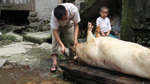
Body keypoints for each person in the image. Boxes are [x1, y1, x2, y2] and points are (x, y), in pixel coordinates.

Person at [50, 3, 81, 72]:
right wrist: (61, 45)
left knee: (72, 41)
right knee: (55, 42)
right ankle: (54, 63)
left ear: (67, 12)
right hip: (57, 27)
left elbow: (76, 25)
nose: (63, 20)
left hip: (68, 25)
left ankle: (72, 59)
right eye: (62, 19)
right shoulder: (54, 15)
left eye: (65, 18)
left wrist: (75, 39)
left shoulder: (74, 10)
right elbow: (55, 31)